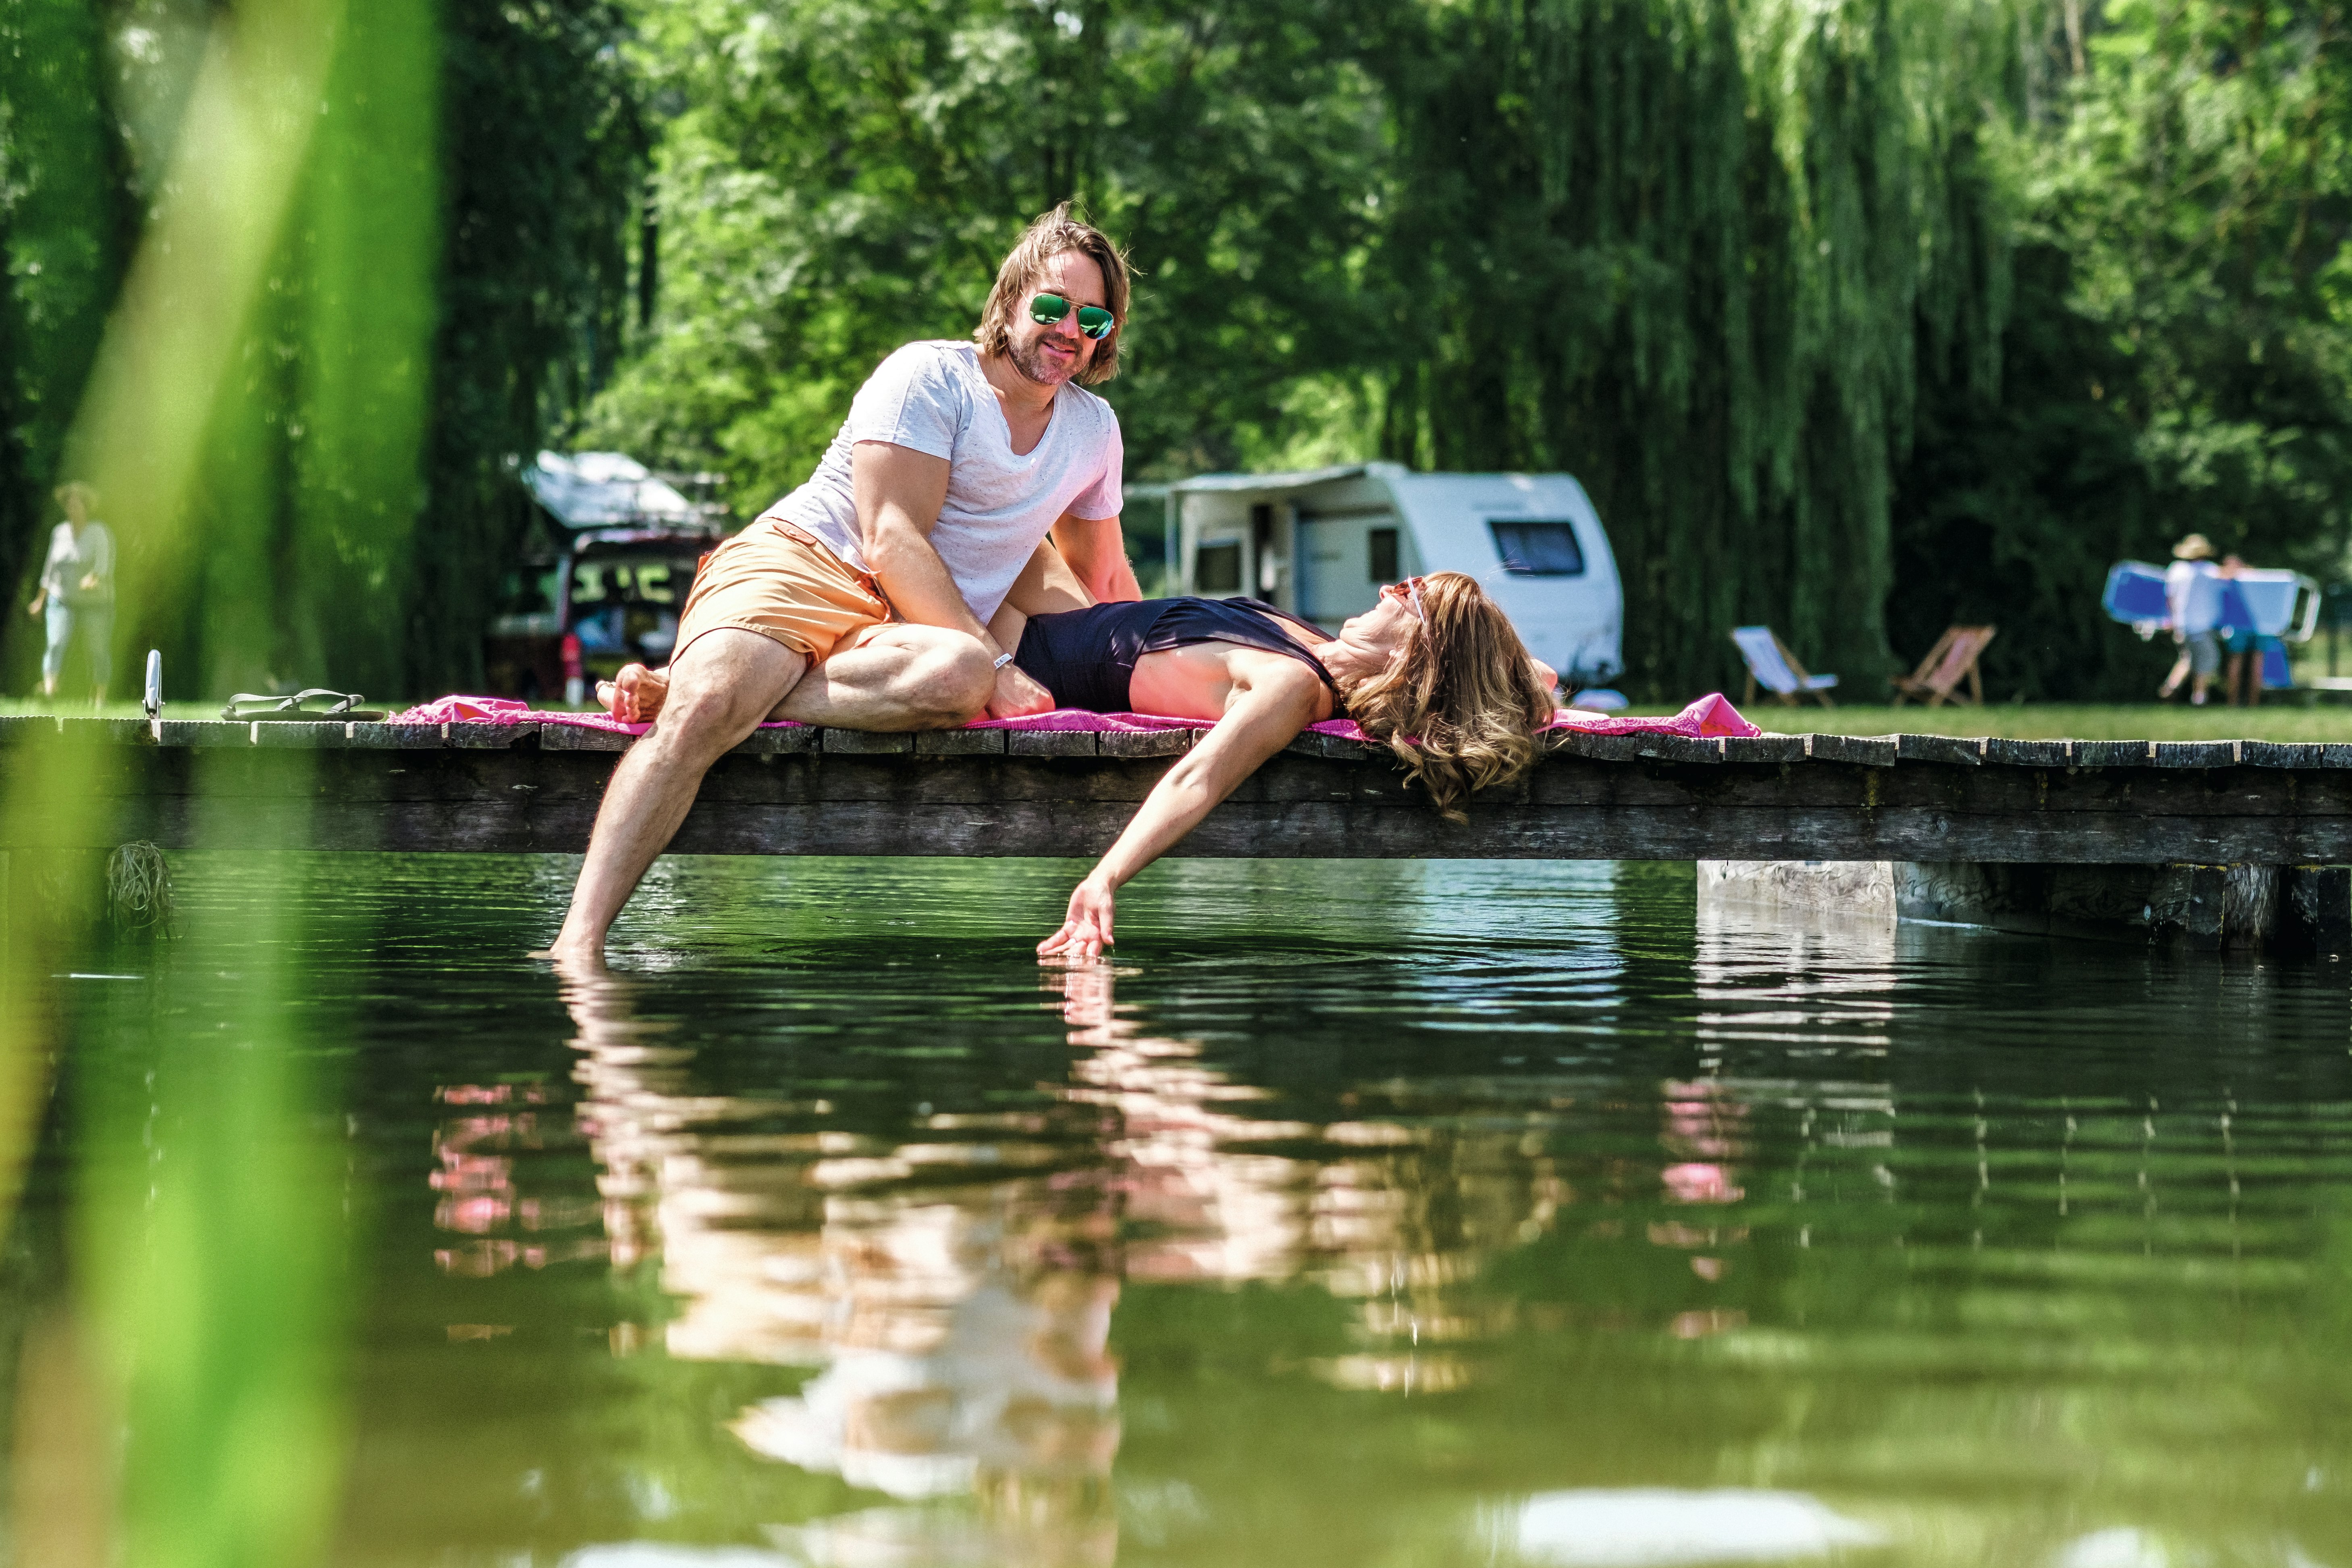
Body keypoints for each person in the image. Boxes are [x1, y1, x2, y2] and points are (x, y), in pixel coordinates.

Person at [547, 206, 1140, 966]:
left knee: (960, 673)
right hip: (805, 565)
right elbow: (890, 537)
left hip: (899, 623)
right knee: (709, 713)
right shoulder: (930, 376)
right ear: (1010, 300)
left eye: (1092, 318)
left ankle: (706, 686)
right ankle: (577, 945)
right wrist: (1001, 665)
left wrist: (1163, 671)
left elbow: (1102, 576)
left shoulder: (1093, 430)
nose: (1069, 330)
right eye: (1052, 306)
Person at [1004, 572, 1557, 957]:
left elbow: (1199, 778)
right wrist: (1466, 647)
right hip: (1058, 614)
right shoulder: (1317, 644)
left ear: (1418, 648)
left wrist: (1104, 878)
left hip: (1016, 647)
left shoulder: (1293, 685)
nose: (1387, 589)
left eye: (1407, 594)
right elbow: (1541, 677)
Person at [27, 482, 115, 708]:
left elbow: (104, 563)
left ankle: (99, 697)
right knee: (55, 643)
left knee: (98, 649)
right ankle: (49, 691)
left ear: (86, 507)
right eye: (69, 505)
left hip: (96, 602)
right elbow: (50, 569)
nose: (72, 509)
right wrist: (40, 600)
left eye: (76, 504)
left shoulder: (99, 532)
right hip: (62, 599)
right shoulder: (59, 533)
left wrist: (93, 578)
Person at [2157, 533, 2222, 705]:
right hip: (2201, 626)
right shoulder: (2210, 571)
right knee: (2206, 661)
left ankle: (2170, 688)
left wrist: (2171, 620)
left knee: (2188, 658)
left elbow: (2169, 599)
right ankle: (2199, 698)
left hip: (2182, 625)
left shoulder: (2176, 570)